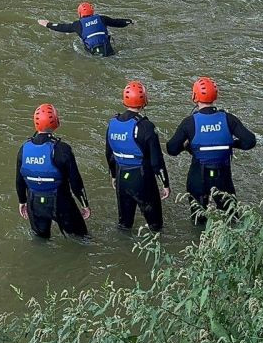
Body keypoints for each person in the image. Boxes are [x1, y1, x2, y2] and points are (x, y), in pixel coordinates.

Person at [165, 77, 256, 226]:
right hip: (223, 178)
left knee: (199, 221)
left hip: (198, 178)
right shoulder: (228, 119)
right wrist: (230, 143)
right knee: (231, 219)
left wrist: (188, 147)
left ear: (194, 97)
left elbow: (171, 149)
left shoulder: (189, 123)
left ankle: (200, 245)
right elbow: (250, 141)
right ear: (216, 96)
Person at [16, 103, 91, 240]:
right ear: (56, 122)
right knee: (82, 239)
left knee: (40, 241)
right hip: (61, 202)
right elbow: (75, 182)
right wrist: (84, 205)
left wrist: (22, 201)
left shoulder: (23, 149)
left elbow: (19, 180)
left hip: (34, 203)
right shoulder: (62, 149)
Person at [106, 81, 170, 233]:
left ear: (124, 100)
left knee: (124, 224)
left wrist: (114, 176)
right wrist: (165, 183)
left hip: (122, 176)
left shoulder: (112, 124)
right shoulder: (146, 126)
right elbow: (156, 161)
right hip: (142, 179)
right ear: (144, 102)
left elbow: (109, 154)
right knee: (156, 226)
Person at [37, 2, 133, 57]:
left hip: (93, 53)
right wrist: (129, 21)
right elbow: (117, 22)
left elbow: (62, 27)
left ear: (79, 14)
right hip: (108, 50)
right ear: (92, 12)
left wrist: (48, 24)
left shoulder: (77, 25)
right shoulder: (101, 18)